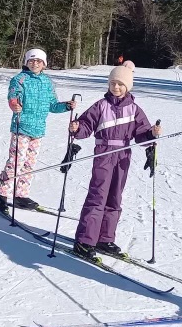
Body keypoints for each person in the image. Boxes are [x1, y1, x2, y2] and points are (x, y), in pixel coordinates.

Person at [68, 61, 161, 259]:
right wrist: (77, 129)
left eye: (120, 84)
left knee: (115, 197)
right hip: (103, 153)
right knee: (97, 196)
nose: (116, 87)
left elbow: (142, 134)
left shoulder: (134, 109)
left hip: (123, 156)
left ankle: (104, 238)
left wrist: (152, 133)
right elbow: (86, 125)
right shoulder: (101, 106)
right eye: (113, 84)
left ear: (128, 86)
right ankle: (84, 241)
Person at [0, 48, 76, 211]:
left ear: (44, 64)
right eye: (31, 61)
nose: (35, 63)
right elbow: (13, 95)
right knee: (15, 162)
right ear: (26, 62)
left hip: (38, 130)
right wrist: (14, 103)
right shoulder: (20, 79)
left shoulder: (47, 82)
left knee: (29, 164)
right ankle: (2, 194)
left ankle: (20, 195)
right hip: (21, 127)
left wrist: (66, 106)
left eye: (39, 61)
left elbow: (52, 105)